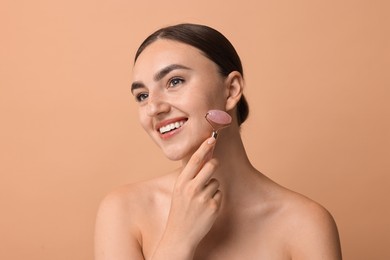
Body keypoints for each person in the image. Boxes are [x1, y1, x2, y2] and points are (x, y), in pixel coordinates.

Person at [94, 23, 342, 260]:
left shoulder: (305, 223)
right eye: (142, 95)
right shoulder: (124, 210)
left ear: (232, 89)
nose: (153, 108)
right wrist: (178, 239)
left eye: (175, 81)